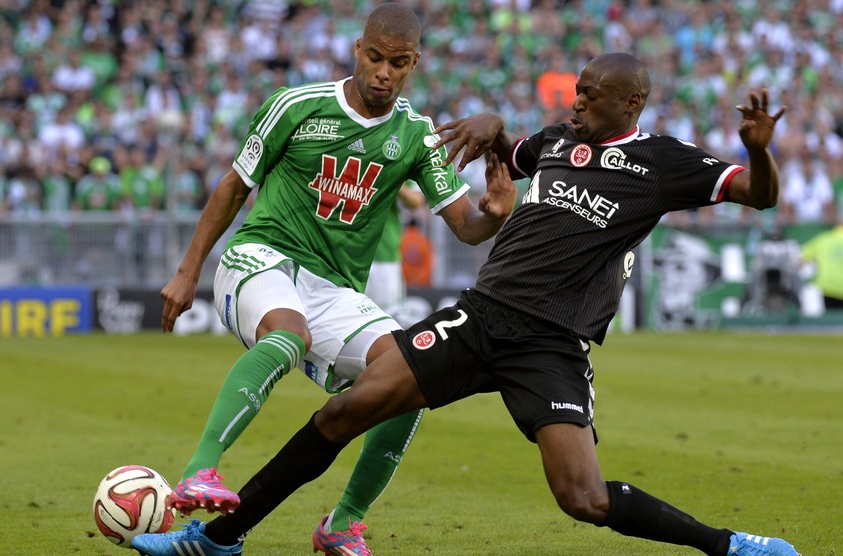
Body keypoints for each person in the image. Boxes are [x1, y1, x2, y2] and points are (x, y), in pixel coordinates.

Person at [133, 53, 800, 556]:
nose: (575, 108)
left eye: (589, 99)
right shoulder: (558, 142)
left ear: (631, 104)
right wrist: (493, 127)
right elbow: (507, 155)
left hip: (552, 344)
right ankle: (219, 539)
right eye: (575, 96)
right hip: (479, 317)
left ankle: (731, 546)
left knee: (583, 498)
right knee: (345, 409)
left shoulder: (664, 162)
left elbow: (759, 196)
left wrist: (759, 155)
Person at [143, 4, 515, 555]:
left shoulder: (414, 133)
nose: (383, 72)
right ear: (357, 48)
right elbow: (232, 187)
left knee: (407, 378)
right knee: (288, 334)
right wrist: (186, 271)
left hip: (335, 289)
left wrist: (497, 213)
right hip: (260, 257)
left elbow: (466, 227)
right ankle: (200, 471)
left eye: (398, 62)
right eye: (374, 57)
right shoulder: (297, 105)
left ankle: (342, 523)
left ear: (414, 63)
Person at [364, 184, 426, 321]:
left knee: (387, 319)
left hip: (383, 256)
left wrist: (394, 178)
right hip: (345, 255)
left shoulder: (395, 162)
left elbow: (416, 201)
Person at [801, 221, 843, 310]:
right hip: (831, 286)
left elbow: (802, 256)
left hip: (829, 286)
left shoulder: (824, 238)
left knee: (831, 319)